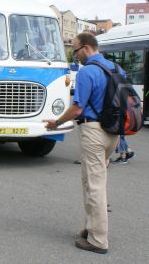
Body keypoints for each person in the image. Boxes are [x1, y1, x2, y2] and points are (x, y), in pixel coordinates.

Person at [44, 32, 121, 254]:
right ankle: (90, 227)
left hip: (94, 131)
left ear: (86, 48)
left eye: (75, 50)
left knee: (94, 184)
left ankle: (98, 240)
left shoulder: (88, 71)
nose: (75, 56)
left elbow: (77, 108)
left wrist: (56, 123)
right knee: (92, 180)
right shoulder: (115, 68)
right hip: (113, 133)